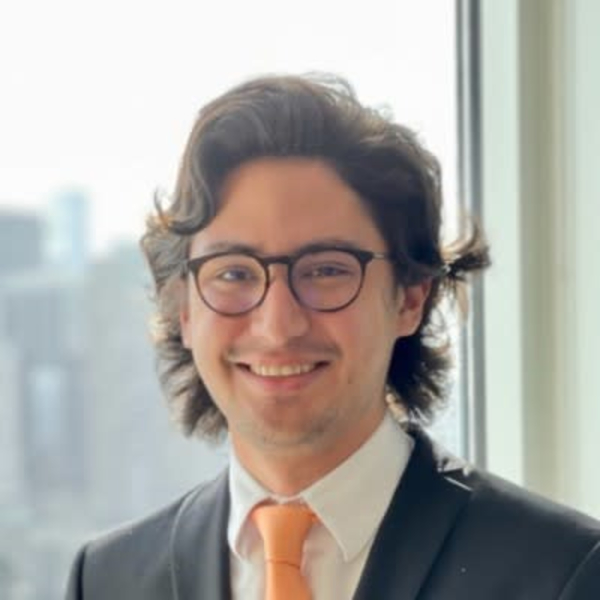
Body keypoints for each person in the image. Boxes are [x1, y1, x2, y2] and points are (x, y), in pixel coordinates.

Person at [65, 74, 600, 599]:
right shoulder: (107, 581)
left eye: (326, 270)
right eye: (233, 273)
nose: (278, 325)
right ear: (183, 309)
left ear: (410, 299)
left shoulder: (560, 574)